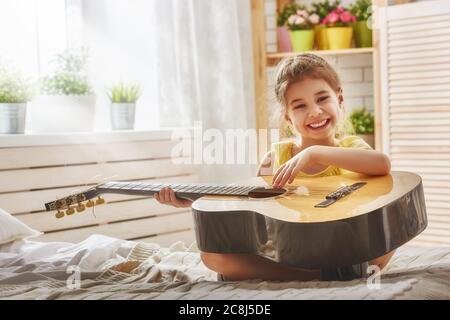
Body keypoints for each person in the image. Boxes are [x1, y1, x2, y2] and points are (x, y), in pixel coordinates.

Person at [155, 53, 394, 282]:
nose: (314, 111)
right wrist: (199, 203)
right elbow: (253, 214)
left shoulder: (351, 148)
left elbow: (382, 164)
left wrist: (314, 153)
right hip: (295, 252)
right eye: (300, 106)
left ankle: (330, 270)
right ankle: (317, 276)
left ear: (339, 98)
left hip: (344, 246)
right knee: (211, 256)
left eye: (322, 98)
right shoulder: (275, 159)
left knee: (392, 233)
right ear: (288, 117)